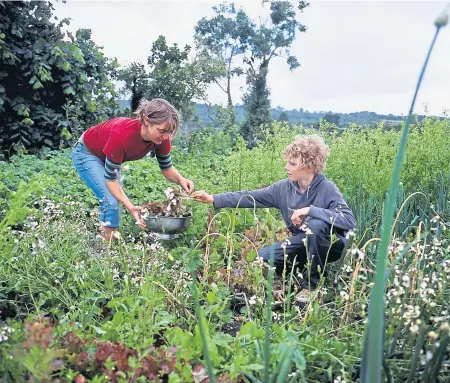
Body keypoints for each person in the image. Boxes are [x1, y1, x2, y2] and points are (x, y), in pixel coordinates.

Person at [192, 134, 356, 302]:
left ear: (310, 166)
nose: (286, 167)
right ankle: (294, 273)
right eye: (287, 162)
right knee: (261, 259)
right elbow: (250, 197)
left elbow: (348, 220)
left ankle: (312, 285)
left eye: (292, 164)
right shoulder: (283, 188)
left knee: (316, 225)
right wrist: (214, 198)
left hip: (328, 247)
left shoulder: (327, 188)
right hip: (301, 243)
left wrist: (310, 210)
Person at [72, 98, 194, 241]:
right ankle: (107, 251)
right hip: (87, 152)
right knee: (111, 200)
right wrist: (131, 207)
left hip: (109, 155)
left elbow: (166, 167)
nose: (166, 137)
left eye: (169, 132)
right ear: (147, 121)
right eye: (161, 131)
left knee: (115, 200)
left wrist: (181, 179)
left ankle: (109, 241)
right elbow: (111, 180)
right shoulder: (122, 135)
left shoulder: (162, 138)